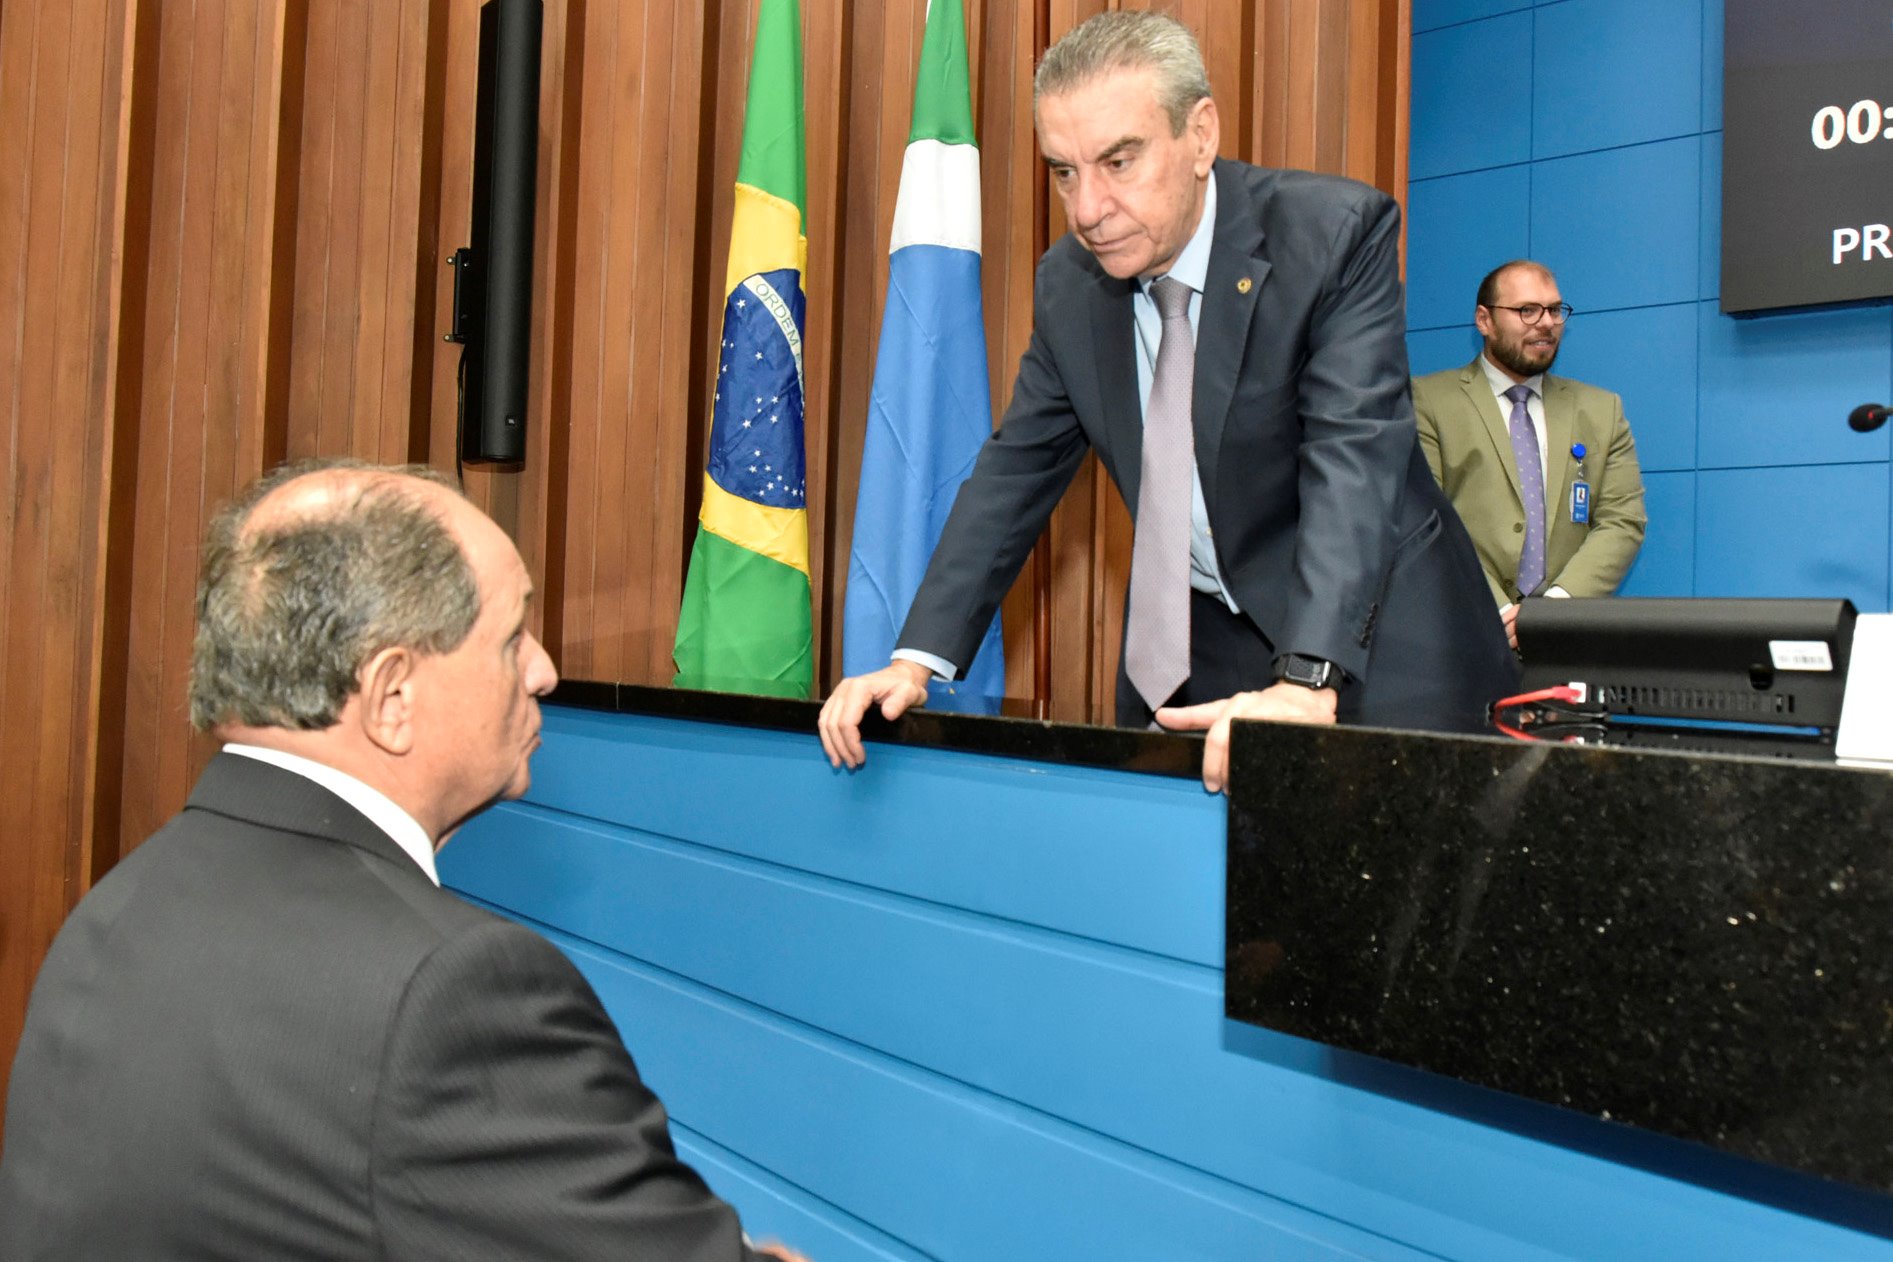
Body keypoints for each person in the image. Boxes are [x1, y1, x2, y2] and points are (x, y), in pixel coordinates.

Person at [0, 460, 805, 1262]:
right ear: (392, 698)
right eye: (511, 637)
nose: (544, 671)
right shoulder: (452, 993)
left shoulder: (118, 908)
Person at [818, 11, 1516, 791]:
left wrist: (1306, 678)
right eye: (1064, 172)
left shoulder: (1329, 234)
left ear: (1200, 135)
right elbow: (1014, 472)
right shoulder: (1069, 285)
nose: (1087, 209)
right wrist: (914, 660)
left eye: (1118, 161)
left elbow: (1352, 458)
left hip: (1383, 645)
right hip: (1207, 656)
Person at [1411, 260, 1647, 650]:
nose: (1546, 323)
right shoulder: (1427, 401)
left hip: (1566, 645)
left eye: (1554, 310)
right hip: (1459, 637)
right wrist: (1501, 612)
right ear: (1484, 320)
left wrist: (1553, 613)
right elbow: (1423, 519)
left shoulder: (1602, 410)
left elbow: (1623, 521)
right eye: (1527, 310)